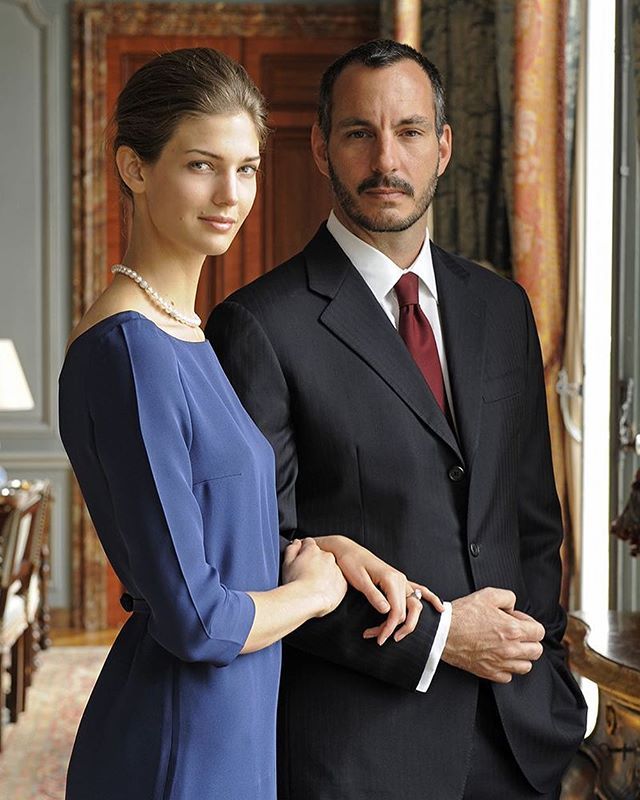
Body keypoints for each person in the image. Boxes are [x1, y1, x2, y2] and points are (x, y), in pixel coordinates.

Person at [207, 39, 587, 800]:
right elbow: (259, 562)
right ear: (320, 147)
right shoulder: (258, 325)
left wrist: (539, 670)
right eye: (359, 132)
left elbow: (531, 520)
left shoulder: (502, 306)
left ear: (443, 148)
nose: (388, 158)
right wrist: (444, 638)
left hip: (520, 742)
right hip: (363, 755)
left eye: (410, 131)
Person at [59, 47, 441, 800]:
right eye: (202, 164)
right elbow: (196, 617)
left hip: (232, 725)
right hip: (180, 741)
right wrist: (314, 593)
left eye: (248, 168)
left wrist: (326, 547)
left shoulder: (185, 332)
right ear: (134, 169)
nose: (230, 194)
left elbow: (213, 530)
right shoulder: (129, 349)